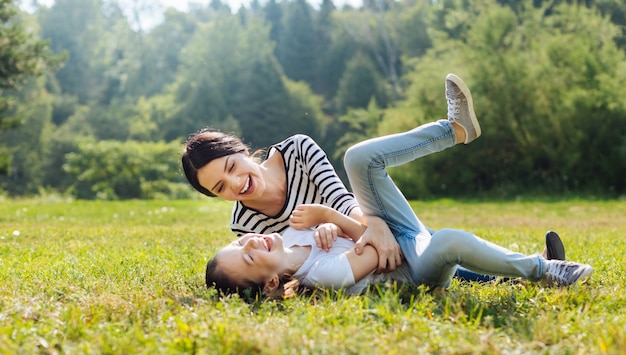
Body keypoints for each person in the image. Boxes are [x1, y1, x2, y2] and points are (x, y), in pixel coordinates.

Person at [204, 74, 592, 299]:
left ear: (242, 150)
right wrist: (332, 221)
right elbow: (376, 255)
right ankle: (545, 268)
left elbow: (346, 205)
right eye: (221, 188)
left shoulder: (293, 193)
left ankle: (454, 129)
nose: (251, 240)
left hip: (389, 232)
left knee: (357, 158)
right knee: (447, 243)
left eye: (231, 167)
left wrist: (337, 221)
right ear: (271, 281)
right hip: (410, 263)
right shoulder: (320, 274)